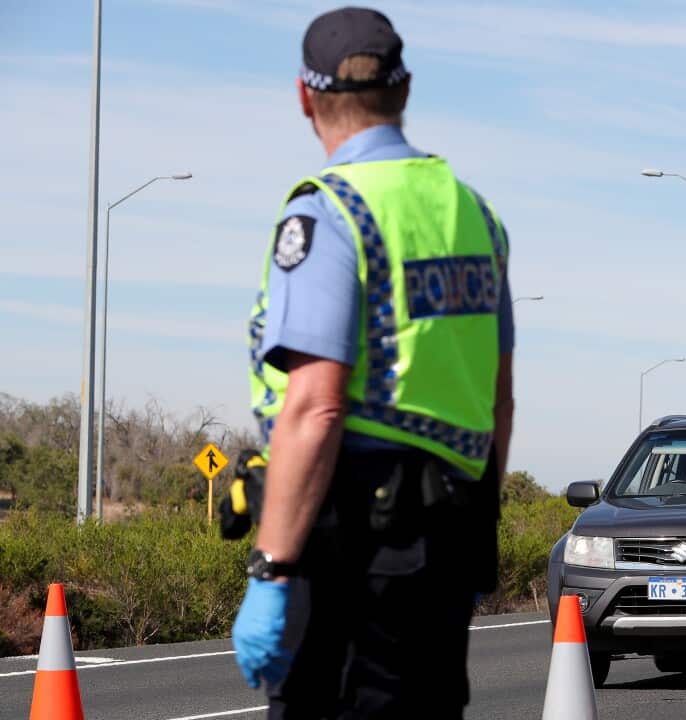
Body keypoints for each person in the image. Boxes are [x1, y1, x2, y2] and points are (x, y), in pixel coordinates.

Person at [231, 8, 515, 718]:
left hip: (349, 553)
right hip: (447, 540)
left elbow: (316, 405)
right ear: (405, 89)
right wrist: (478, 534)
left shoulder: (327, 214)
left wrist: (270, 570)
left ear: (305, 95)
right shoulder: (476, 216)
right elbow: (497, 401)